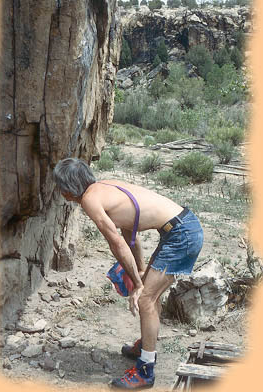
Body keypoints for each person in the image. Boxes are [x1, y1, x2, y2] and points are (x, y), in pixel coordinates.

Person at [53, 158, 203, 389]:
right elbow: (129, 234)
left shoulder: (90, 200)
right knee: (151, 297)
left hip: (182, 235)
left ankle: (145, 370)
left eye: (60, 187)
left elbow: (117, 244)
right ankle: (146, 346)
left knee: (146, 299)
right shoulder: (105, 187)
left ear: (67, 189)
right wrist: (140, 271)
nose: (60, 192)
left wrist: (138, 284)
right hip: (181, 227)